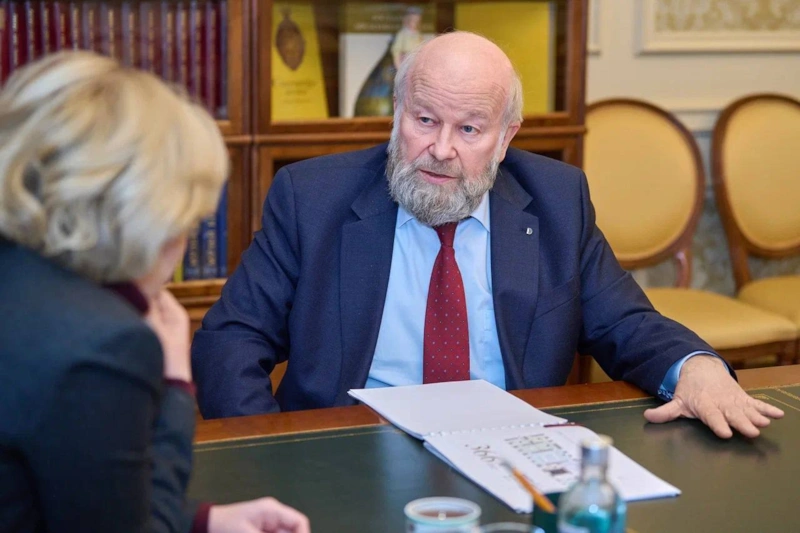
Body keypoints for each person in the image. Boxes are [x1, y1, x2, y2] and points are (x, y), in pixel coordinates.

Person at [192, 32, 783, 439]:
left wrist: (694, 366)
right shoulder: (312, 198)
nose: (441, 149)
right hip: (351, 446)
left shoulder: (556, 201)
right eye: (425, 119)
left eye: (470, 129)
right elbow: (231, 340)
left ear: (506, 137)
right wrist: (271, 448)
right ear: (397, 112)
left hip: (509, 449)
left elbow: (625, 323)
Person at [0, 52, 309, 533]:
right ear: (147, 219)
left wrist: (202, 520)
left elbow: (72, 495)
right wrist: (175, 385)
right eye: (189, 219)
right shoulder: (104, 344)